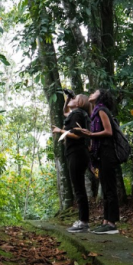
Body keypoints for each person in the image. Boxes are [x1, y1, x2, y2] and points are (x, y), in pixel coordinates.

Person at [74, 89, 120, 234]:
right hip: (101, 154)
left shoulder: (101, 110)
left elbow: (108, 131)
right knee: (105, 188)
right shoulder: (94, 113)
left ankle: (112, 223)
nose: (91, 93)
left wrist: (91, 134)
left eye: (94, 92)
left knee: (110, 188)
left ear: (100, 97)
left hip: (107, 153)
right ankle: (106, 221)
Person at [52, 93, 92, 233]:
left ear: (80, 103)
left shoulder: (77, 114)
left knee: (79, 188)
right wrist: (68, 98)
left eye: (74, 98)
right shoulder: (77, 114)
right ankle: (83, 221)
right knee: (79, 187)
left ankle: (83, 222)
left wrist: (60, 131)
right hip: (78, 153)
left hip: (77, 153)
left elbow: (77, 135)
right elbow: (65, 112)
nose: (71, 99)